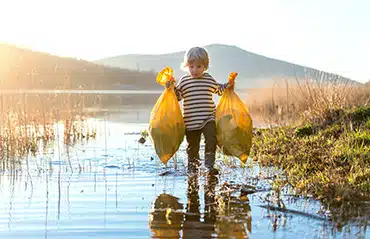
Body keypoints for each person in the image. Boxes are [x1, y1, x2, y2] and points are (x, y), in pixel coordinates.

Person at [166, 46, 234, 174]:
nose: (195, 70)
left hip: (208, 117)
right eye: (191, 66)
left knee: (211, 139)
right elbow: (178, 97)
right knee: (193, 147)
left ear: (205, 66)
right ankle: (193, 168)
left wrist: (228, 86)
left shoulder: (208, 79)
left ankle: (209, 166)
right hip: (191, 121)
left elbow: (219, 90)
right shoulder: (185, 81)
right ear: (187, 66)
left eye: (198, 66)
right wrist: (171, 88)